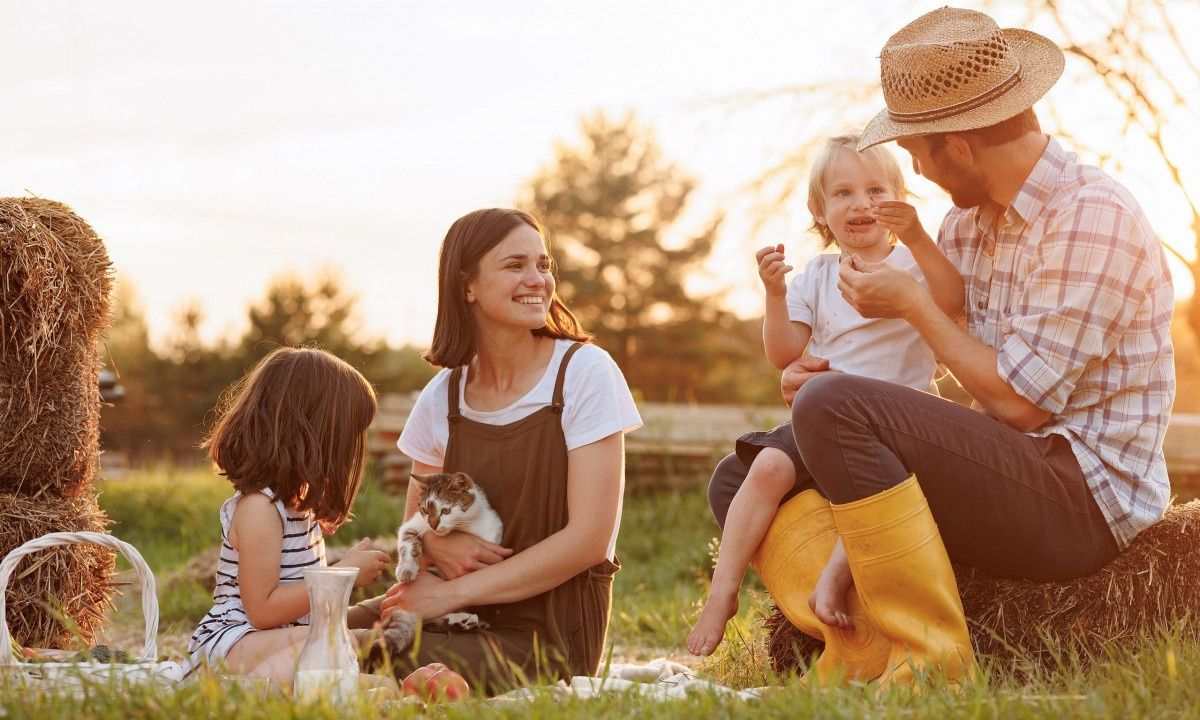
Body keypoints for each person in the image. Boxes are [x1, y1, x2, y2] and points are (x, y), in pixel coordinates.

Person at [757, 7, 1173, 686]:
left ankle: (927, 661)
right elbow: (944, 375)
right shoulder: (965, 229)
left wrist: (911, 307)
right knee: (753, 465)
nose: (916, 174)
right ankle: (852, 628)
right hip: (1012, 463)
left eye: (916, 152)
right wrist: (823, 371)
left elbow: (1019, 406)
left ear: (955, 144)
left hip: (1082, 498)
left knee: (834, 407)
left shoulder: (1091, 217)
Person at [685, 134, 964, 657]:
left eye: (876, 190)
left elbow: (950, 301)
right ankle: (722, 592)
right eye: (842, 194)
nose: (860, 203)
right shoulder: (817, 274)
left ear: (900, 200)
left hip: (897, 423)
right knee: (765, 467)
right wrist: (773, 294)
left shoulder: (912, 264)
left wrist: (921, 238)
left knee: (867, 496)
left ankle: (835, 578)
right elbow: (784, 350)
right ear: (819, 210)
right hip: (823, 418)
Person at [350, 208, 642, 692]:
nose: (538, 280)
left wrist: (450, 593)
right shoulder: (442, 396)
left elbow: (590, 538)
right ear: (468, 285)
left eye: (543, 265)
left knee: (349, 652)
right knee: (316, 625)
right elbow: (417, 528)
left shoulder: (585, 373)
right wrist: (439, 547)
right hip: (454, 608)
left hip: (546, 634)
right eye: (515, 265)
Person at [184, 347, 392, 684]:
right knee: (337, 643)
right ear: (316, 434)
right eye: (347, 436)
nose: (352, 450)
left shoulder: (298, 508)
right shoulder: (260, 510)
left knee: (344, 652)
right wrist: (343, 574)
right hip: (232, 648)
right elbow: (263, 611)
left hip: (270, 645)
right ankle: (232, 697)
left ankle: (305, 692)